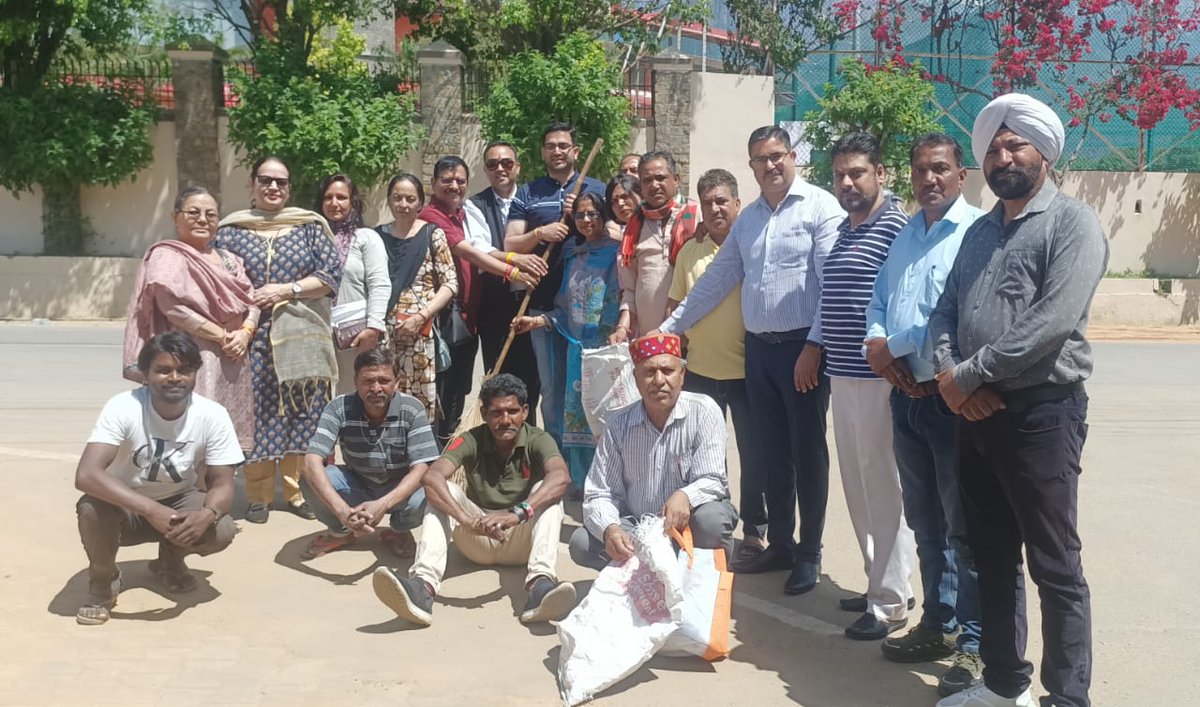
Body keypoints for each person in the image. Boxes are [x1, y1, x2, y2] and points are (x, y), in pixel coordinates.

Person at [929, 94, 1107, 707]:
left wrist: (968, 376)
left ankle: (1067, 696)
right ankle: (1005, 684)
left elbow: (1052, 321)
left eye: (1016, 145)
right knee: (991, 556)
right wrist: (951, 375)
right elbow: (945, 311)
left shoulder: (1073, 224)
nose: (1003, 157)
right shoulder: (979, 232)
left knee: (1054, 563)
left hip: (1041, 414)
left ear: (1044, 153)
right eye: (994, 148)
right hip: (975, 416)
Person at [656, 126, 843, 595]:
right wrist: (668, 329)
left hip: (803, 349)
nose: (770, 165)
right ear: (752, 166)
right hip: (759, 352)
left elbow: (832, 283)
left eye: (777, 155)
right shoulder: (750, 221)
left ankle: (809, 552)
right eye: (761, 159)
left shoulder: (820, 207)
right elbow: (716, 281)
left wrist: (814, 346)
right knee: (771, 453)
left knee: (807, 453)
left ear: (793, 156)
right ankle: (780, 543)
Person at [865, 132, 987, 695]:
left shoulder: (977, 232)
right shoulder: (905, 235)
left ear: (962, 175)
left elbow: (952, 314)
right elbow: (880, 301)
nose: (929, 179)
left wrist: (890, 346)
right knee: (925, 523)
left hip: (951, 400)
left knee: (965, 527)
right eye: (920, 170)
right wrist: (876, 342)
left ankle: (975, 642)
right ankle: (938, 623)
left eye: (940, 168)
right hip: (906, 398)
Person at [811, 133, 916, 640]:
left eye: (857, 173)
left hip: (878, 378)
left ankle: (890, 602)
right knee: (857, 487)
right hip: (843, 375)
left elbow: (903, 297)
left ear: (881, 173)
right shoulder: (845, 229)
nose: (847, 183)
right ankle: (882, 582)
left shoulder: (896, 227)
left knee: (882, 487)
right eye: (840, 175)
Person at [372, 374, 575, 626]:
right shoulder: (471, 439)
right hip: (477, 537)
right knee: (443, 490)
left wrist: (516, 514)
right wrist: (466, 520)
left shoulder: (538, 439)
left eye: (512, 411)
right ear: (484, 413)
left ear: (524, 411)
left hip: (520, 539)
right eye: (496, 412)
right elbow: (432, 477)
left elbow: (561, 477)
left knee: (549, 495)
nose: (505, 420)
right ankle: (422, 587)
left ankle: (540, 585)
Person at [74, 333, 241, 625]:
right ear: (145, 374)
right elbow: (87, 474)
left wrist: (207, 514)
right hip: (124, 506)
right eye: (163, 370)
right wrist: (151, 509)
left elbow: (223, 483)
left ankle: (170, 562)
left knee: (222, 528)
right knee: (91, 509)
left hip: (178, 500)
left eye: (184, 370)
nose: (175, 378)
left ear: (196, 373)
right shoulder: (123, 407)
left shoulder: (213, 415)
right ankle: (103, 580)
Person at [215, 156, 341, 524]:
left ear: (289, 188)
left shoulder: (309, 227)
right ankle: (258, 496)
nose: (273, 187)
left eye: (281, 182)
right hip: (250, 338)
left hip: (303, 337)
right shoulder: (230, 231)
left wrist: (286, 290)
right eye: (266, 180)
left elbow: (330, 276)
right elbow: (217, 280)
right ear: (252, 184)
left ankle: (296, 492)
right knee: (257, 415)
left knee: (300, 413)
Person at [568, 333, 739, 570]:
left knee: (711, 522)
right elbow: (600, 492)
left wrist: (685, 496)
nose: (659, 380)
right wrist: (611, 529)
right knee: (582, 542)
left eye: (667, 371)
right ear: (635, 379)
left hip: (687, 526)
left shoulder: (704, 411)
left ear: (682, 375)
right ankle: (645, 578)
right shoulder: (618, 424)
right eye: (649, 372)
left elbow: (713, 479)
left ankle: (701, 581)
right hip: (638, 526)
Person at [666, 169, 763, 560]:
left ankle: (755, 532)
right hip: (701, 372)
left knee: (755, 455)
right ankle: (714, 529)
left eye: (722, 201)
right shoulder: (689, 252)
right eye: (707, 203)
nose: (715, 209)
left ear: (737, 203)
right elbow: (675, 306)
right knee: (706, 458)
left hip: (747, 372)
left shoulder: (753, 246)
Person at [123, 186, 258, 450]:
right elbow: (172, 306)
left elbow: (250, 301)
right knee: (190, 433)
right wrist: (222, 336)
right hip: (189, 355)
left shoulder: (230, 260)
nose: (203, 219)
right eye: (193, 213)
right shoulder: (167, 255)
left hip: (233, 357)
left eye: (211, 214)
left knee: (225, 440)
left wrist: (245, 333)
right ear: (175, 217)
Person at [421, 156, 544, 442]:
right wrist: (513, 269)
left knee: (458, 391)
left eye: (460, 181)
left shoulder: (464, 214)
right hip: (445, 318)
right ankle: (438, 456)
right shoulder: (432, 215)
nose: (454, 186)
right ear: (434, 183)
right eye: (447, 180)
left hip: (469, 317)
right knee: (442, 392)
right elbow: (470, 251)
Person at [503, 123, 606, 448]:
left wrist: (580, 215)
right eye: (550, 146)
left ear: (576, 151)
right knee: (552, 388)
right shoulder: (528, 193)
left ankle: (591, 459)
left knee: (590, 387)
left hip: (589, 311)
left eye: (563, 145)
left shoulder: (596, 189)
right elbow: (510, 244)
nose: (557, 151)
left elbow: (616, 234)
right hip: (542, 306)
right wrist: (540, 234)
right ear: (542, 152)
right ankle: (555, 457)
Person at [511, 192, 621, 488]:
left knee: (608, 417)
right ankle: (580, 481)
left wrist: (609, 336)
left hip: (606, 352)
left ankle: (609, 483)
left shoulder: (617, 254)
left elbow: (619, 300)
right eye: (580, 214)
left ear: (604, 216)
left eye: (593, 213)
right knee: (578, 418)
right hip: (576, 354)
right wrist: (536, 321)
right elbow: (564, 309)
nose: (586, 220)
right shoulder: (574, 256)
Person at [299, 348, 439, 560]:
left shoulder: (412, 409)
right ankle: (341, 531)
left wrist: (382, 505)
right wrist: (342, 511)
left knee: (430, 488)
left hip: (398, 488)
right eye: (368, 381)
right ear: (356, 383)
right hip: (357, 483)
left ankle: (399, 530)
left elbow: (421, 468)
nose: (376, 388)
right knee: (309, 477)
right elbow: (312, 461)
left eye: (384, 380)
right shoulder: (339, 408)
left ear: (397, 383)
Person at [377, 173, 457, 425]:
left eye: (410, 199)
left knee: (419, 404)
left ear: (420, 202)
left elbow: (450, 283)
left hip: (420, 336)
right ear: (389, 201)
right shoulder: (376, 237)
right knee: (381, 397)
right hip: (383, 336)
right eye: (397, 198)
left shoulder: (432, 234)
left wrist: (421, 316)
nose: (403, 204)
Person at [470, 141, 542, 419]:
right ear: (486, 170)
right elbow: (479, 249)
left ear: (517, 167)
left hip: (532, 301)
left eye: (506, 163)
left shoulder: (533, 200)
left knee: (532, 380)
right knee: (499, 377)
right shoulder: (475, 205)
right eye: (492, 164)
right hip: (495, 305)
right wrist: (514, 260)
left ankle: (529, 435)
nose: (500, 168)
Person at [610, 151, 699, 342]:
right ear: (641, 186)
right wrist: (622, 328)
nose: (654, 185)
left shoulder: (697, 216)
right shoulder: (634, 227)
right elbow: (630, 289)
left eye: (660, 178)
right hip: (651, 339)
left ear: (676, 180)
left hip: (694, 338)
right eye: (647, 180)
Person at [315, 173, 390, 394]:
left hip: (356, 338)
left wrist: (373, 328)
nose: (334, 203)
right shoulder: (312, 239)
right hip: (318, 334)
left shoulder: (366, 238)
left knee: (356, 397)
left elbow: (379, 284)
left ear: (352, 202)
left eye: (341, 197)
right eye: (328, 197)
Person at [604, 173, 641, 240]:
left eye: (625, 196)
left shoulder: (656, 227)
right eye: (614, 201)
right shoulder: (623, 236)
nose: (620, 203)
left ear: (641, 195)